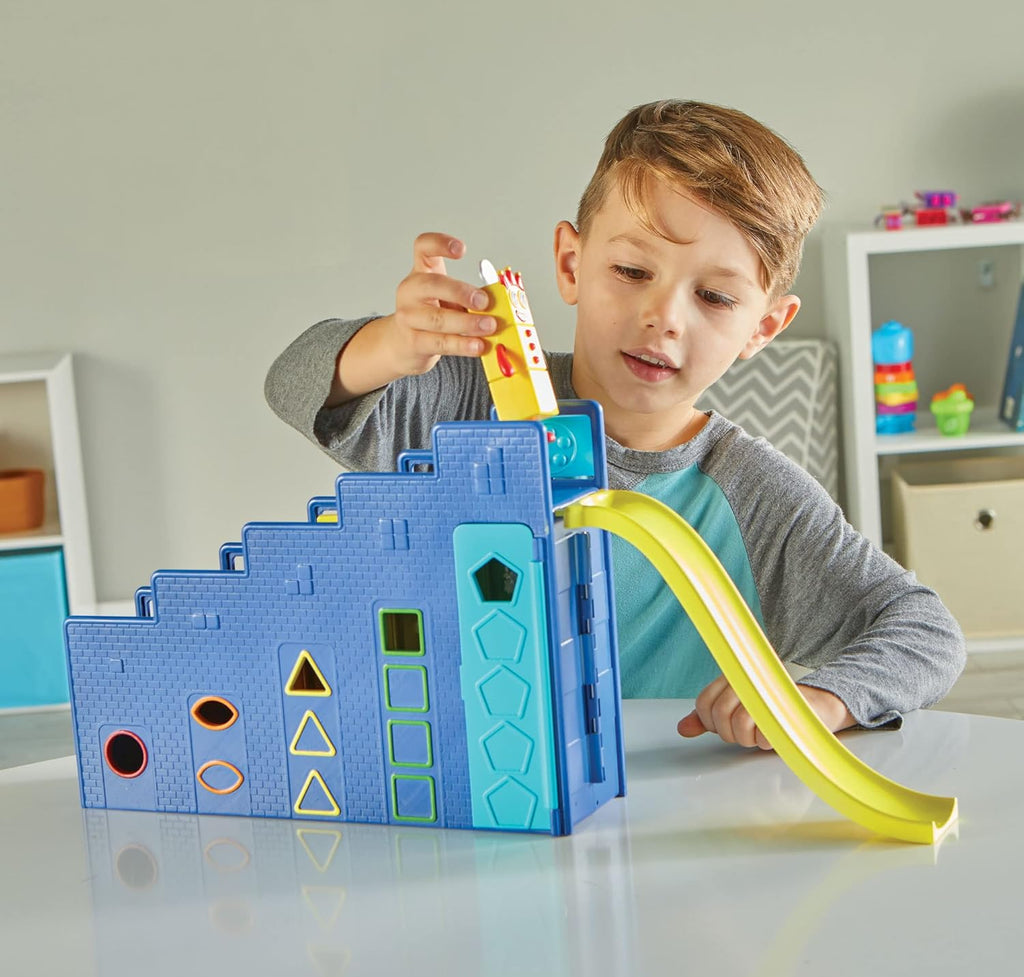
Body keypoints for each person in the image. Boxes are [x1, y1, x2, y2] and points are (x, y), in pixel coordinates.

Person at [265, 99, 965, 751]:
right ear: (572, 264)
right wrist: (393, 343)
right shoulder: (468, 396)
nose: (664, 317)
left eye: (715, 297)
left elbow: (925, 632)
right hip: (450, 781)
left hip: (659, 810)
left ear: (764, 327)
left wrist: (820, 697)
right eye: (632, 270)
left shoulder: (753, 496)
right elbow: (292, 383)